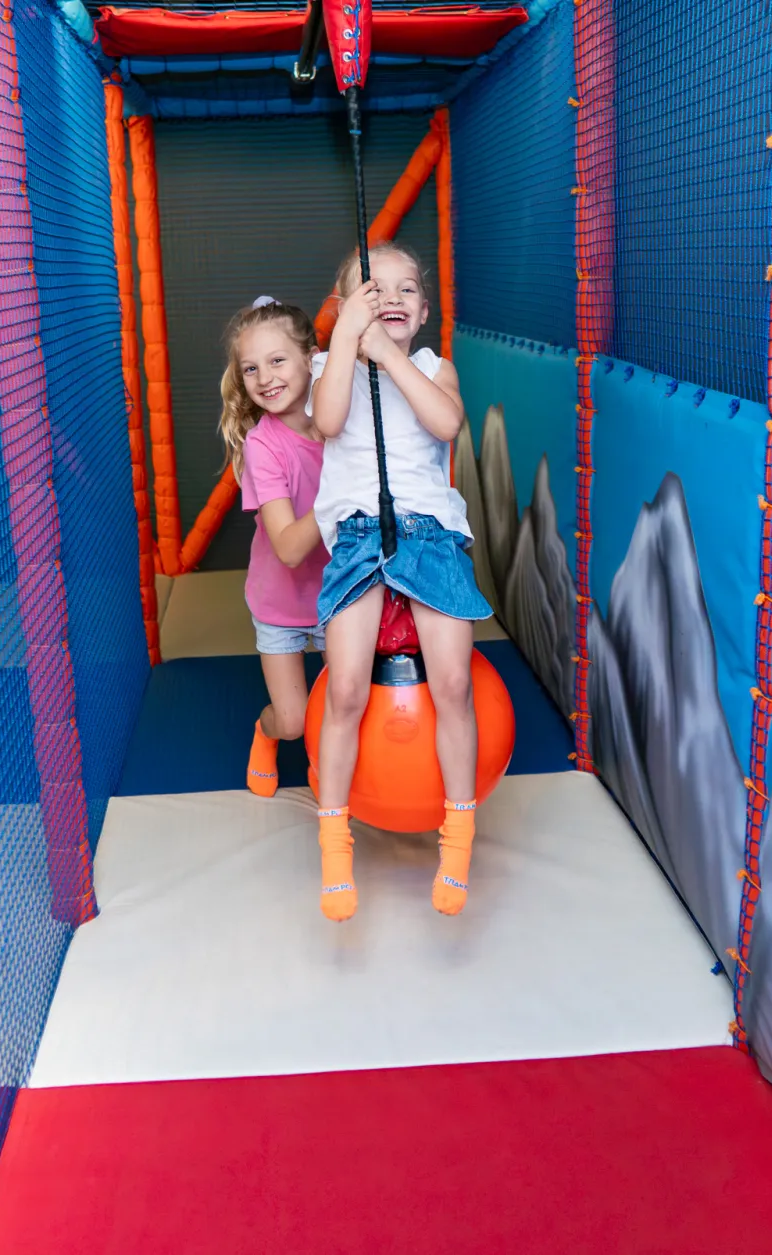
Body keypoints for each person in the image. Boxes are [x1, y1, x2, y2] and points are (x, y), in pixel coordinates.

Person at [308, 243, 492, 923]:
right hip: (359, 535)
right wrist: (348, 342)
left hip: (430, 536)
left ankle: (458, 835)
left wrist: (388, 356)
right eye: (372, 289)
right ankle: (334, 843)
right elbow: (328, 422)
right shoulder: (327, 368)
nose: (391, 297)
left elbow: (447, 423)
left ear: (423, 310)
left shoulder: (434, 367)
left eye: (406, 289)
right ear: (344, 307)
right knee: (346, 689)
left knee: (453, 685)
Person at [219, 297, 328, 798]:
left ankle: (326, 766)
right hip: (280, 603)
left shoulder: (343, 424)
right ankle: (264, 735)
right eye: (251, 368)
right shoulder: (263, 446)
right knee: (293, 721)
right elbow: (288, 549)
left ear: (311, 357)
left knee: (345, 705)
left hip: (341, 596)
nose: (265, 378)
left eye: (278, 360)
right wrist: (343, 494)